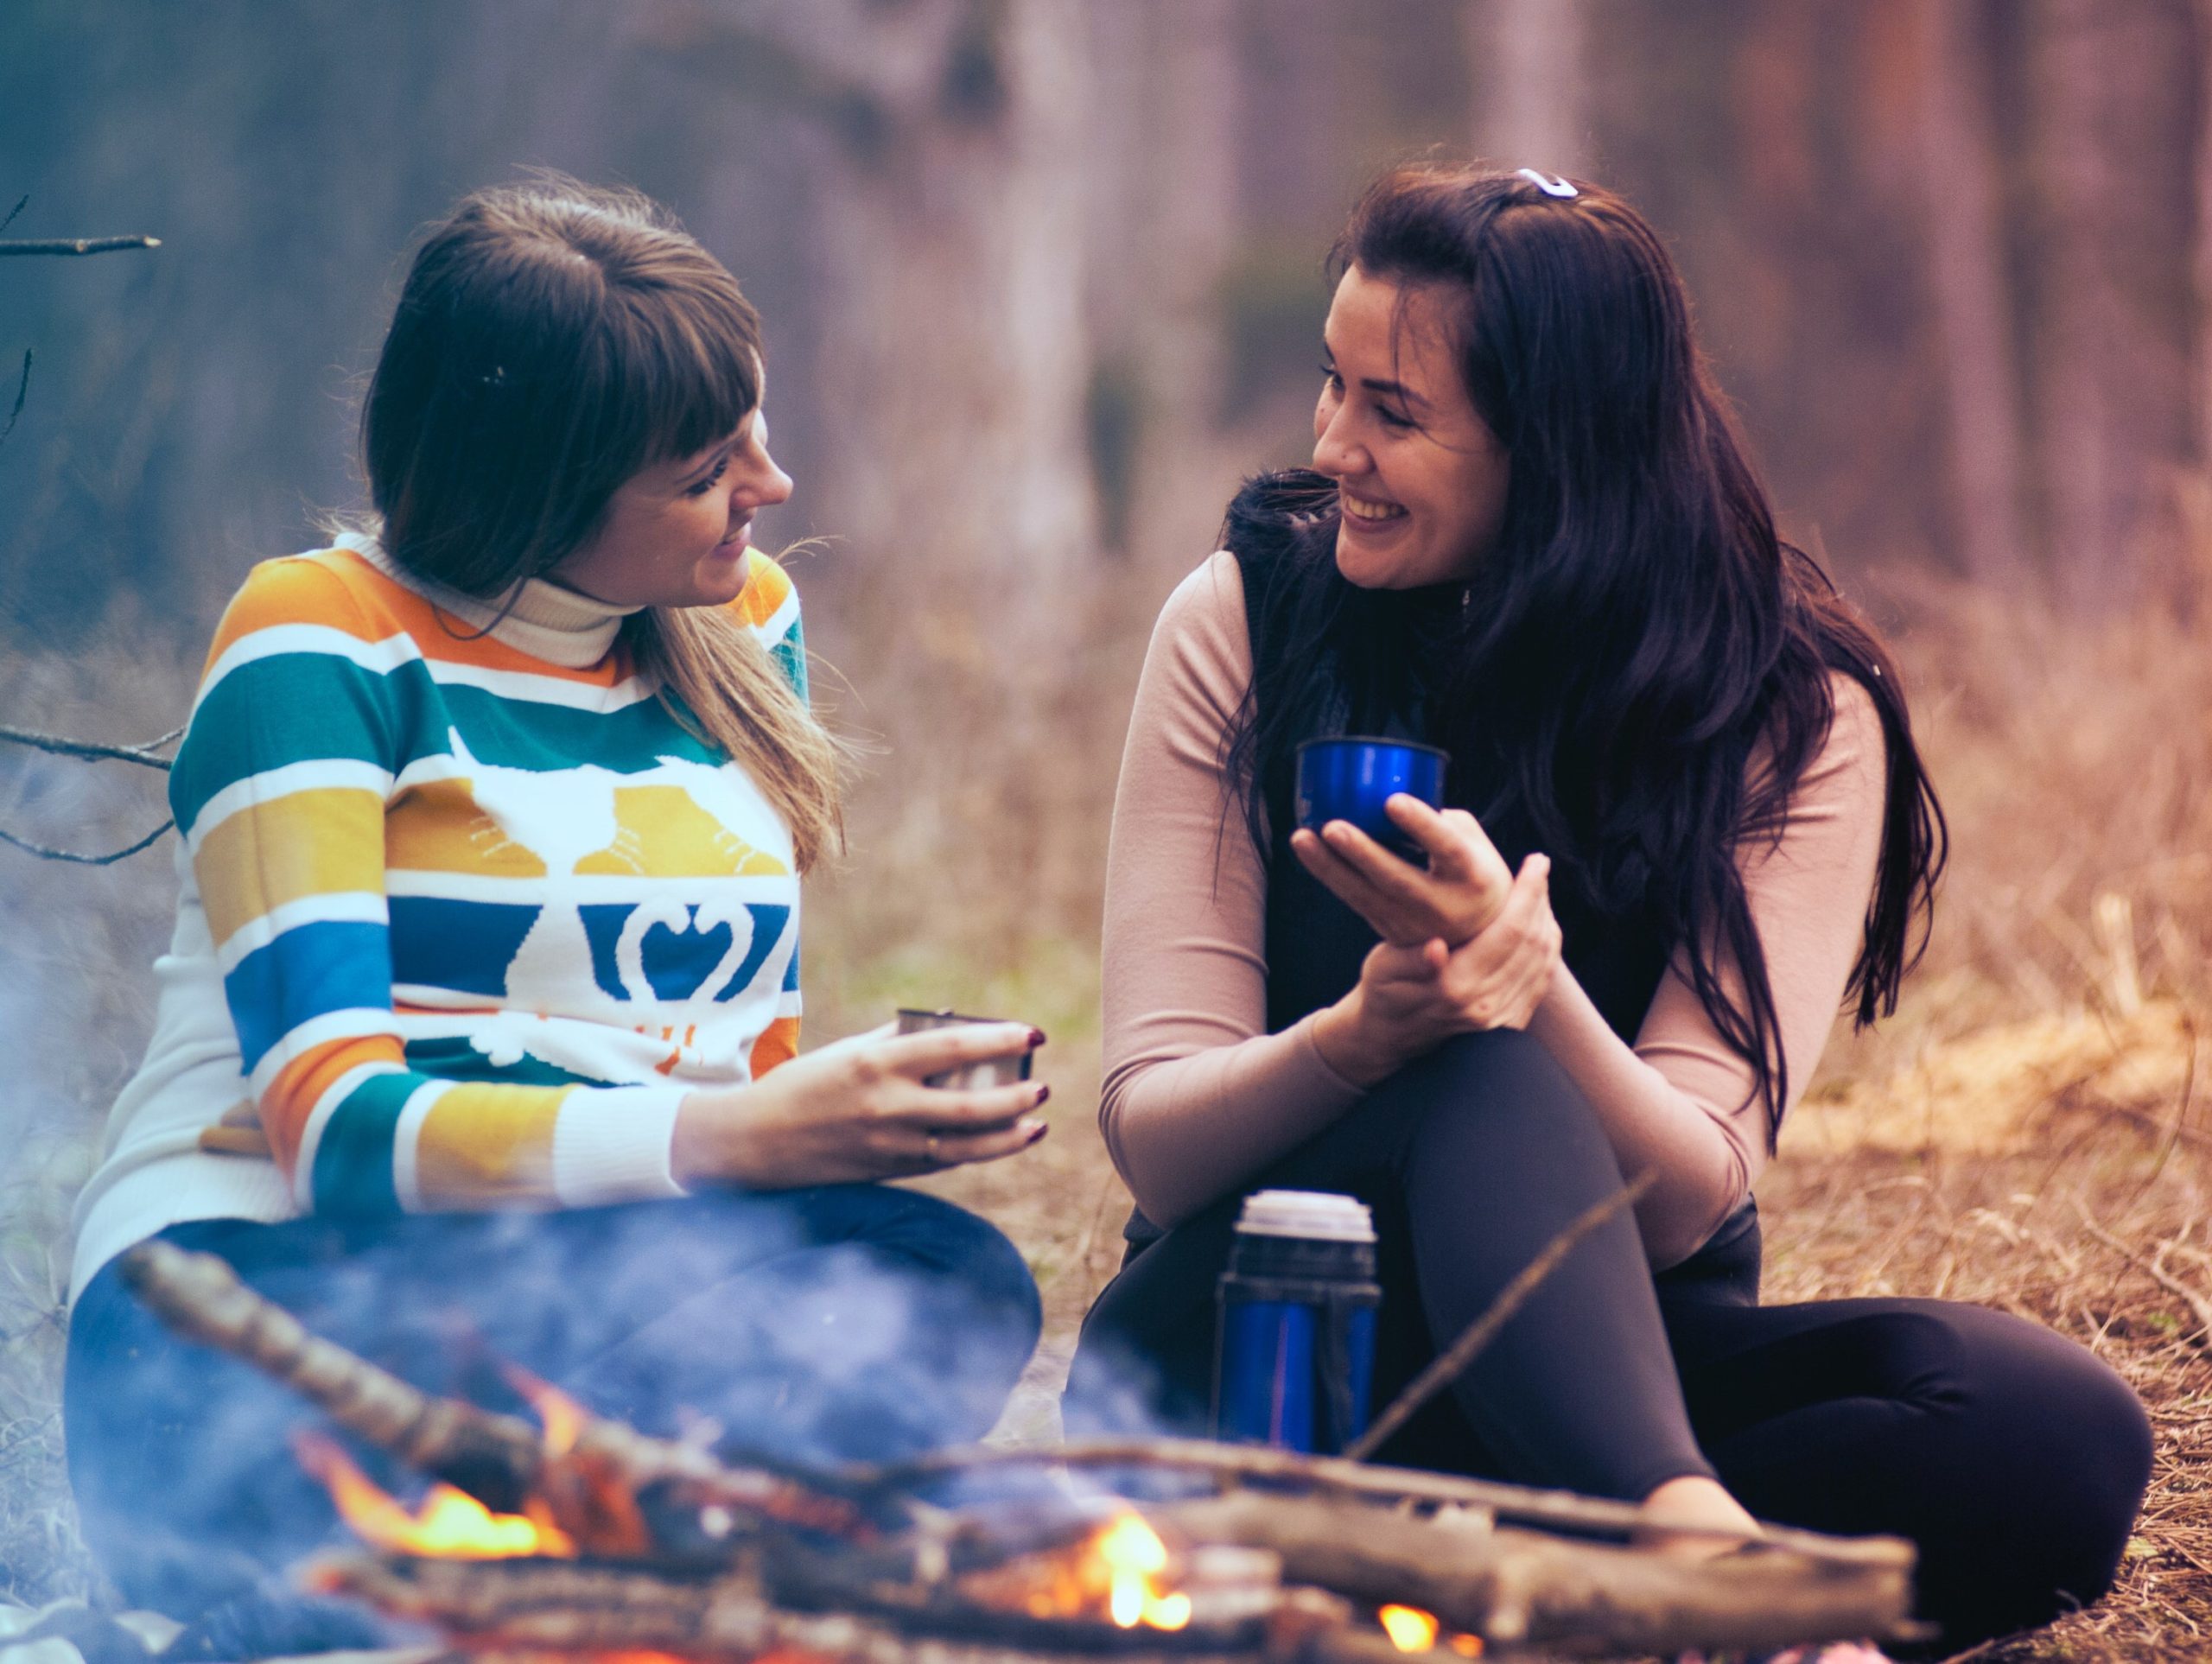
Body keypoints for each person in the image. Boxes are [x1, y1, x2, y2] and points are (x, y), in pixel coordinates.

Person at [1065, 163, 2151, 1653]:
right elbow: (1161, 1138)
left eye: (1395, 411)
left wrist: (1535, 985)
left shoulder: (1792, 709)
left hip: (1604, 1362)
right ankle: (1699, 1568)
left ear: (1556, 446)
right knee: (1468, 1064)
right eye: (1334, 385)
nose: (1334, 446)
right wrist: (1369, 1036)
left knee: (2052, 1429)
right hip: (1258, 1355)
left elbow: (1695, 1185)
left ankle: (1538, 1574)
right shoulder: (1247, 621)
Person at [65, 179, 1046, 1633]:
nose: (769, 488)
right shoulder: (319, 638)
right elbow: (336, 1135)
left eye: (756, 433)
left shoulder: (740, 621)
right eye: (712, 466)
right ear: (540, 488)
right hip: (252, 1311)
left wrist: (830, 1128)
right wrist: (746, 1137)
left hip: (570, 1295)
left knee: (940, 1273)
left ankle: (522, 1576)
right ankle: (548, 1564)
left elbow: (733, 1054)